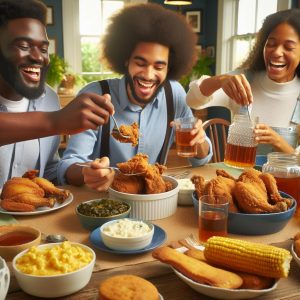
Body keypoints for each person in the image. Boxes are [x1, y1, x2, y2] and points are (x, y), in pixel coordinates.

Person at [58, 3, 213, 191]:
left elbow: (200, 161)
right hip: (105, 202)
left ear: (168, 68)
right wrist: (87, 172)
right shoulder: (95, 95)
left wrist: (200, 141)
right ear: (125, 61)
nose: (148, 75)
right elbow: (68, 165)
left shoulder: (175, 94)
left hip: (154, 199)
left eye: (158, 66)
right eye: (140, 63)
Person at [0, 0, 114, 187]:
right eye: (23, 46)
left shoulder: (49, 99)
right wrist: (55, 121)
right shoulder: (53, 115)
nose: (38, 57)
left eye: (43, 49)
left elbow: (49, 170)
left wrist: (86, 172)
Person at [187, 8, 300, 155]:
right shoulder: (244, 80)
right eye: (271, 44)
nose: (277, 52)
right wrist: (221, 80)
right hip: (237, 177)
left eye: (288, 47)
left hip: (286, 179)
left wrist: (277, 141)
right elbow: (192, 100)